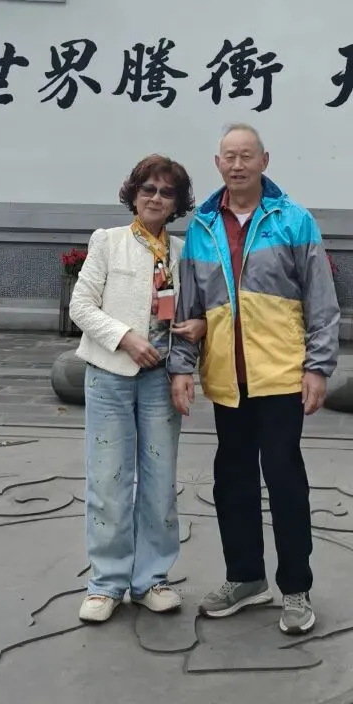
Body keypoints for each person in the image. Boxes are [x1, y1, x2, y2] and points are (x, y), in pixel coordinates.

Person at [169, 124, 339, 636]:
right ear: (217, 163)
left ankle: (296, 588)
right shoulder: (202, 226)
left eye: (247, 155)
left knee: (284, 479)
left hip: (281, 375)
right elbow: (189, 307)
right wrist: (182, 366)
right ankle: (245, 578)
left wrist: (317, 366)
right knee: (232, 480)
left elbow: (321, 301)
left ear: (264, 160)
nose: (238, 164)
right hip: (227, 378)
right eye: (229, 156)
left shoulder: (293, 220)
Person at [69, 153, 206, 623]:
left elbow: (198, 310)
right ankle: (105, 583)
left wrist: (199, 329)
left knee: (159, 481)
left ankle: (152, 579)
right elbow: (81, 306)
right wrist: (125, 338)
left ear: (177, 203)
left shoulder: (185, 252)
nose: (156, 198)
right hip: (110, 374)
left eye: (167, 192)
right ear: (134, 193)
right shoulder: (108, 241)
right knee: (107, 479)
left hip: (161, 379)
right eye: (148, 188)